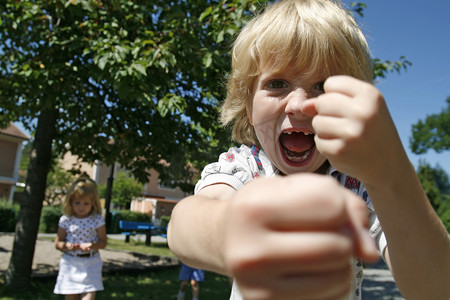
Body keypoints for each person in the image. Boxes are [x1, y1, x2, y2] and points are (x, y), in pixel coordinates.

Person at [168, 0, 450, 299]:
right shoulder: (244, 167)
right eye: (277, 83)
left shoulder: (360, 184)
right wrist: (235, 232)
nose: (299, 105)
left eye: (323, 85)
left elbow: (437, 289)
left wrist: (390, 173)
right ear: (248, 107)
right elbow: (184, 226)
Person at [54, 176, 107, 300]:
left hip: (90, 262)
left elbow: (103, 242)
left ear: (93, 203)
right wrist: (66, 246)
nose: (81, 207)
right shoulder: (66, 220)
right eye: (77, 203)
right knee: (71, 296)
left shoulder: (97, 220)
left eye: (86, 203)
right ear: (70, 202)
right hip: (70, 262)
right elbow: (58, 242)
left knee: (88, 296)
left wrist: (92, 245)